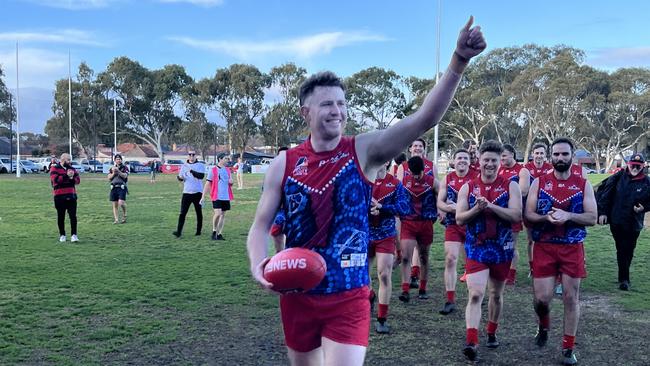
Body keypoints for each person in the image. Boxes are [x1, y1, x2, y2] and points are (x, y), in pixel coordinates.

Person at [246, 17, 485, 366]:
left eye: (342, 103)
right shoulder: (283, 163)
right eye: (327, 104)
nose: (338, 111)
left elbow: (423, 120)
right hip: (297, 294)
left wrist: (458, 62)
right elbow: (259, 225)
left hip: (349, 295)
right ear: (305, 112)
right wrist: (259, 265)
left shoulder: (363, 151)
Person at [525, 137, 597, 366]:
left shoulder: (582, 184)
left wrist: (569, 216)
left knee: (570, 297)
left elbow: (592, 217)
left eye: (564, 154)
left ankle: (568, 347)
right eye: (556, 154)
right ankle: (543, 326)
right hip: (544, 246)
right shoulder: (540, 182)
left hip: (572, 247)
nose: (560, 158)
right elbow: (528, 215)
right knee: (542, 300)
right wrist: (545, 217)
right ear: (550, 157)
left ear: (572, 155)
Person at [456, 140, 522, 362]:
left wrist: (491, 206)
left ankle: (492, 331)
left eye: (494, 160)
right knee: (475, 294)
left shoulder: (510, 185)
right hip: (477, 248)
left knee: (496, 294)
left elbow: (516, 216)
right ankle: (472, 341)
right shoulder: (468, 187)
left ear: (500, 161)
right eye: (486, 160)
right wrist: (477, 208)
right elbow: (459, 218)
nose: (490, 164)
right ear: (480, 160)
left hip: (502, 249)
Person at [596, 153, 650, 291]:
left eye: (638, 166)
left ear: (643, 166)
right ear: (628, 164)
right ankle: (624, 279)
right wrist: (602, 213)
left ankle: (623, 276)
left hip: (634, 222)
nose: (635, 168)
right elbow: (605, 194)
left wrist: (644, 207)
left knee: (629, 249)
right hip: (617, 220)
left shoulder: (646, 181)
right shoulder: (618, 177)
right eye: (633, 165)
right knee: (621, 248)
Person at [368, 160, 410, 333]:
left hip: (385, 235)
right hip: (364, 233)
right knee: (362, 275)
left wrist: (382, 207)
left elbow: (404, 208)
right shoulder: (363, 181)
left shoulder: (395, 183)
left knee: (384, 274)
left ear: (387, 161)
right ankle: (369, 295)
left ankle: (382, 318)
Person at [436, 148, 477, 314]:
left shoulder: (476, 177)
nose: (462, 161)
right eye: (459, 157)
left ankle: (475, 295)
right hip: (453, 224)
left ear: (469, 161)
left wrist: (460, 210)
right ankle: (450, 299)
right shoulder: (448, 178)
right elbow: (440, 202)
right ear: (453, 161)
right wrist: (451, 210)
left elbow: (481, 202)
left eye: (465, 158)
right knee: (450, 259)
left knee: (472, 263)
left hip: (472, 225)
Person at [396, 138, 437, 290]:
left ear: (424, 149)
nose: (418, 148)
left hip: (425, 216)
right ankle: (407, 283)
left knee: (423, 253)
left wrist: (439, 209)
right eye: (415, 146)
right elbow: (398, 190)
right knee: (407, 248)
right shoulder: (403, 167)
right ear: (410, 149)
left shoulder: (431, 166)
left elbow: (438, 189)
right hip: (408, 216)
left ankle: (418, 279)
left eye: (420, 146)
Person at [498, 143, 530, 285]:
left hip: (513, 213)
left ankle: (511, 275)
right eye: (500, 156)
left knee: (511, 244)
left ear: (512, 154)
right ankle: (500, 270)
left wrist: (501, 194)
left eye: (504, 155)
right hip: (498, 213)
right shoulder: (499, 169)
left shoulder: (522, 171)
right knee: (499, 243)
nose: (502, 158)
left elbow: (523, 191)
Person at [173, 151, 206, 238]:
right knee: (182, 213)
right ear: (188, 156)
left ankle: (198, 231)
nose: (191, 156)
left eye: (193, 155)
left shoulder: (200, 165)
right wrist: (180, 178)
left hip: (197, 192)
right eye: (190, 155)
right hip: (187, 192)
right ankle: (178, 232)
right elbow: (181, 178)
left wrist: (191, 170)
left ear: (196, 156)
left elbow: (201, 176)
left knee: (198, 212)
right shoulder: (184, 166)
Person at [202, 153, 233, 241]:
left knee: (223, 215)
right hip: (216, 195)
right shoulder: (213, 170)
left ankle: (219, 234)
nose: (227, 160)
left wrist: (231, 182)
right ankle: (214, 231)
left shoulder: (228, 170)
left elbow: (230, 183)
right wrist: (203, 196)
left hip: (226, 196)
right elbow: (208, 183)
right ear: (220, 159)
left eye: (227, 158)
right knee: (218, 213)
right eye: (225, 158)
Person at [50, 153, 80, 242]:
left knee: (73, 216)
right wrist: (66, 176)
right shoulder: (54, 168)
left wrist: (71, 178)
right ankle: (62, 235)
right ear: (62, 160)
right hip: (59, 196)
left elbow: (77, 181)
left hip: (71, 196)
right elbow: (55, 181)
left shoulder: (72, 169)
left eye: (70, 160)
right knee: (61, 216)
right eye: (68, 160)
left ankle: (74, 235)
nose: (70, 162)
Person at [108, 154, 129, 224]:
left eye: (119, 159)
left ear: (121, 160)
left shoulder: (125, 167)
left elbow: (125, 176)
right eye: (117, 159)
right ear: (115, 160)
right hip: (114, 187)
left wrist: (118, 171)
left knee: (121, 203)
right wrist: (114, 173)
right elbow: (109, 178)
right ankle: (116, 219)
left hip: (122, 187)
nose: (118, 160)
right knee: (115, 204)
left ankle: (125, 214)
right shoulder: (112, 168)